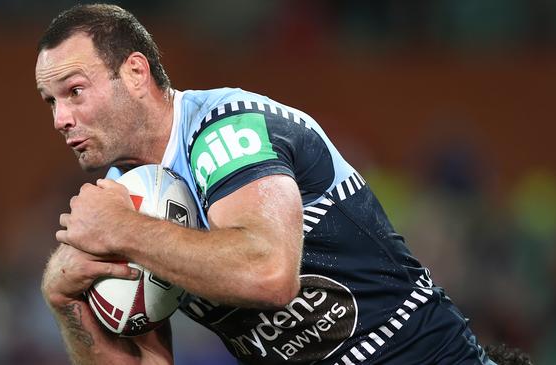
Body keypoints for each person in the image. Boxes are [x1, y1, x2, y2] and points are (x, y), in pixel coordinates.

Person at [36, 4, 497, 364]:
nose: (60, 119)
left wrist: (121, 231)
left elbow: (269, 274)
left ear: (136, 73)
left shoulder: (228, 128)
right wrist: (61, 300)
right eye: (50, 102)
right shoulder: (124, 196)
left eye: (74, 91)